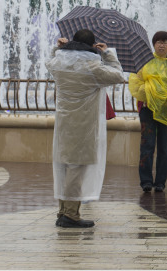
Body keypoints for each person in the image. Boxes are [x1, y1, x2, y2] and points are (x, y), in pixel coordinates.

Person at [46, 29, 125, 228]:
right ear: (92, 46)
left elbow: (49, 60)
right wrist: (107, 53)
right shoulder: (92, 67)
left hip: (63, 124)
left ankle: (63, 210)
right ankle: (71, 215)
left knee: (64, 166)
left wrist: (57, 47)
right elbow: (118, 75)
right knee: (76, 168)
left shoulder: (58, 63)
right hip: (83, 126)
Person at [129, 31, 167, 193]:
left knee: (164, 147)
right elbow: (136, 82)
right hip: (148, 109)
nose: (161, 45)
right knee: (147, 145)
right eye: (158, 42)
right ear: (154, 44)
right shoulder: (146, 62)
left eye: (164, 42)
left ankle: (160, 182)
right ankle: (146, 181)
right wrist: (151, 91)